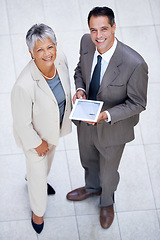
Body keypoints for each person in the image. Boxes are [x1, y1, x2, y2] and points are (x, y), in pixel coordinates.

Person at [66, 6, 148, 229]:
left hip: (112, 128)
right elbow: (79, 70)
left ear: (114, 27)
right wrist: (80, 89)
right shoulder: (86, 43)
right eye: (93, 30)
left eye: (104, 29)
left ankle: (107, 202)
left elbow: (138, 103)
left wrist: (107, 115)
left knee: (108, 172)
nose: (98, 36)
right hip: (85, 122)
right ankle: (91, 188)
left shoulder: (134, 64)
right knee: (88, 161)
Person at [11, 23, 72, 234]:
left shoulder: (61, 60)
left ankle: (34, 177)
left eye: (50, 47)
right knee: (38, 175)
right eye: (39, 50)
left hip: (54, 129)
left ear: (56, 46)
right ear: (31, 53)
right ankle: (38, 211)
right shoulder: (24, 85)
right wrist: (39, 143)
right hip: (35, 139)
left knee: (47, 163)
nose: (47, 53)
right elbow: (21, 123)